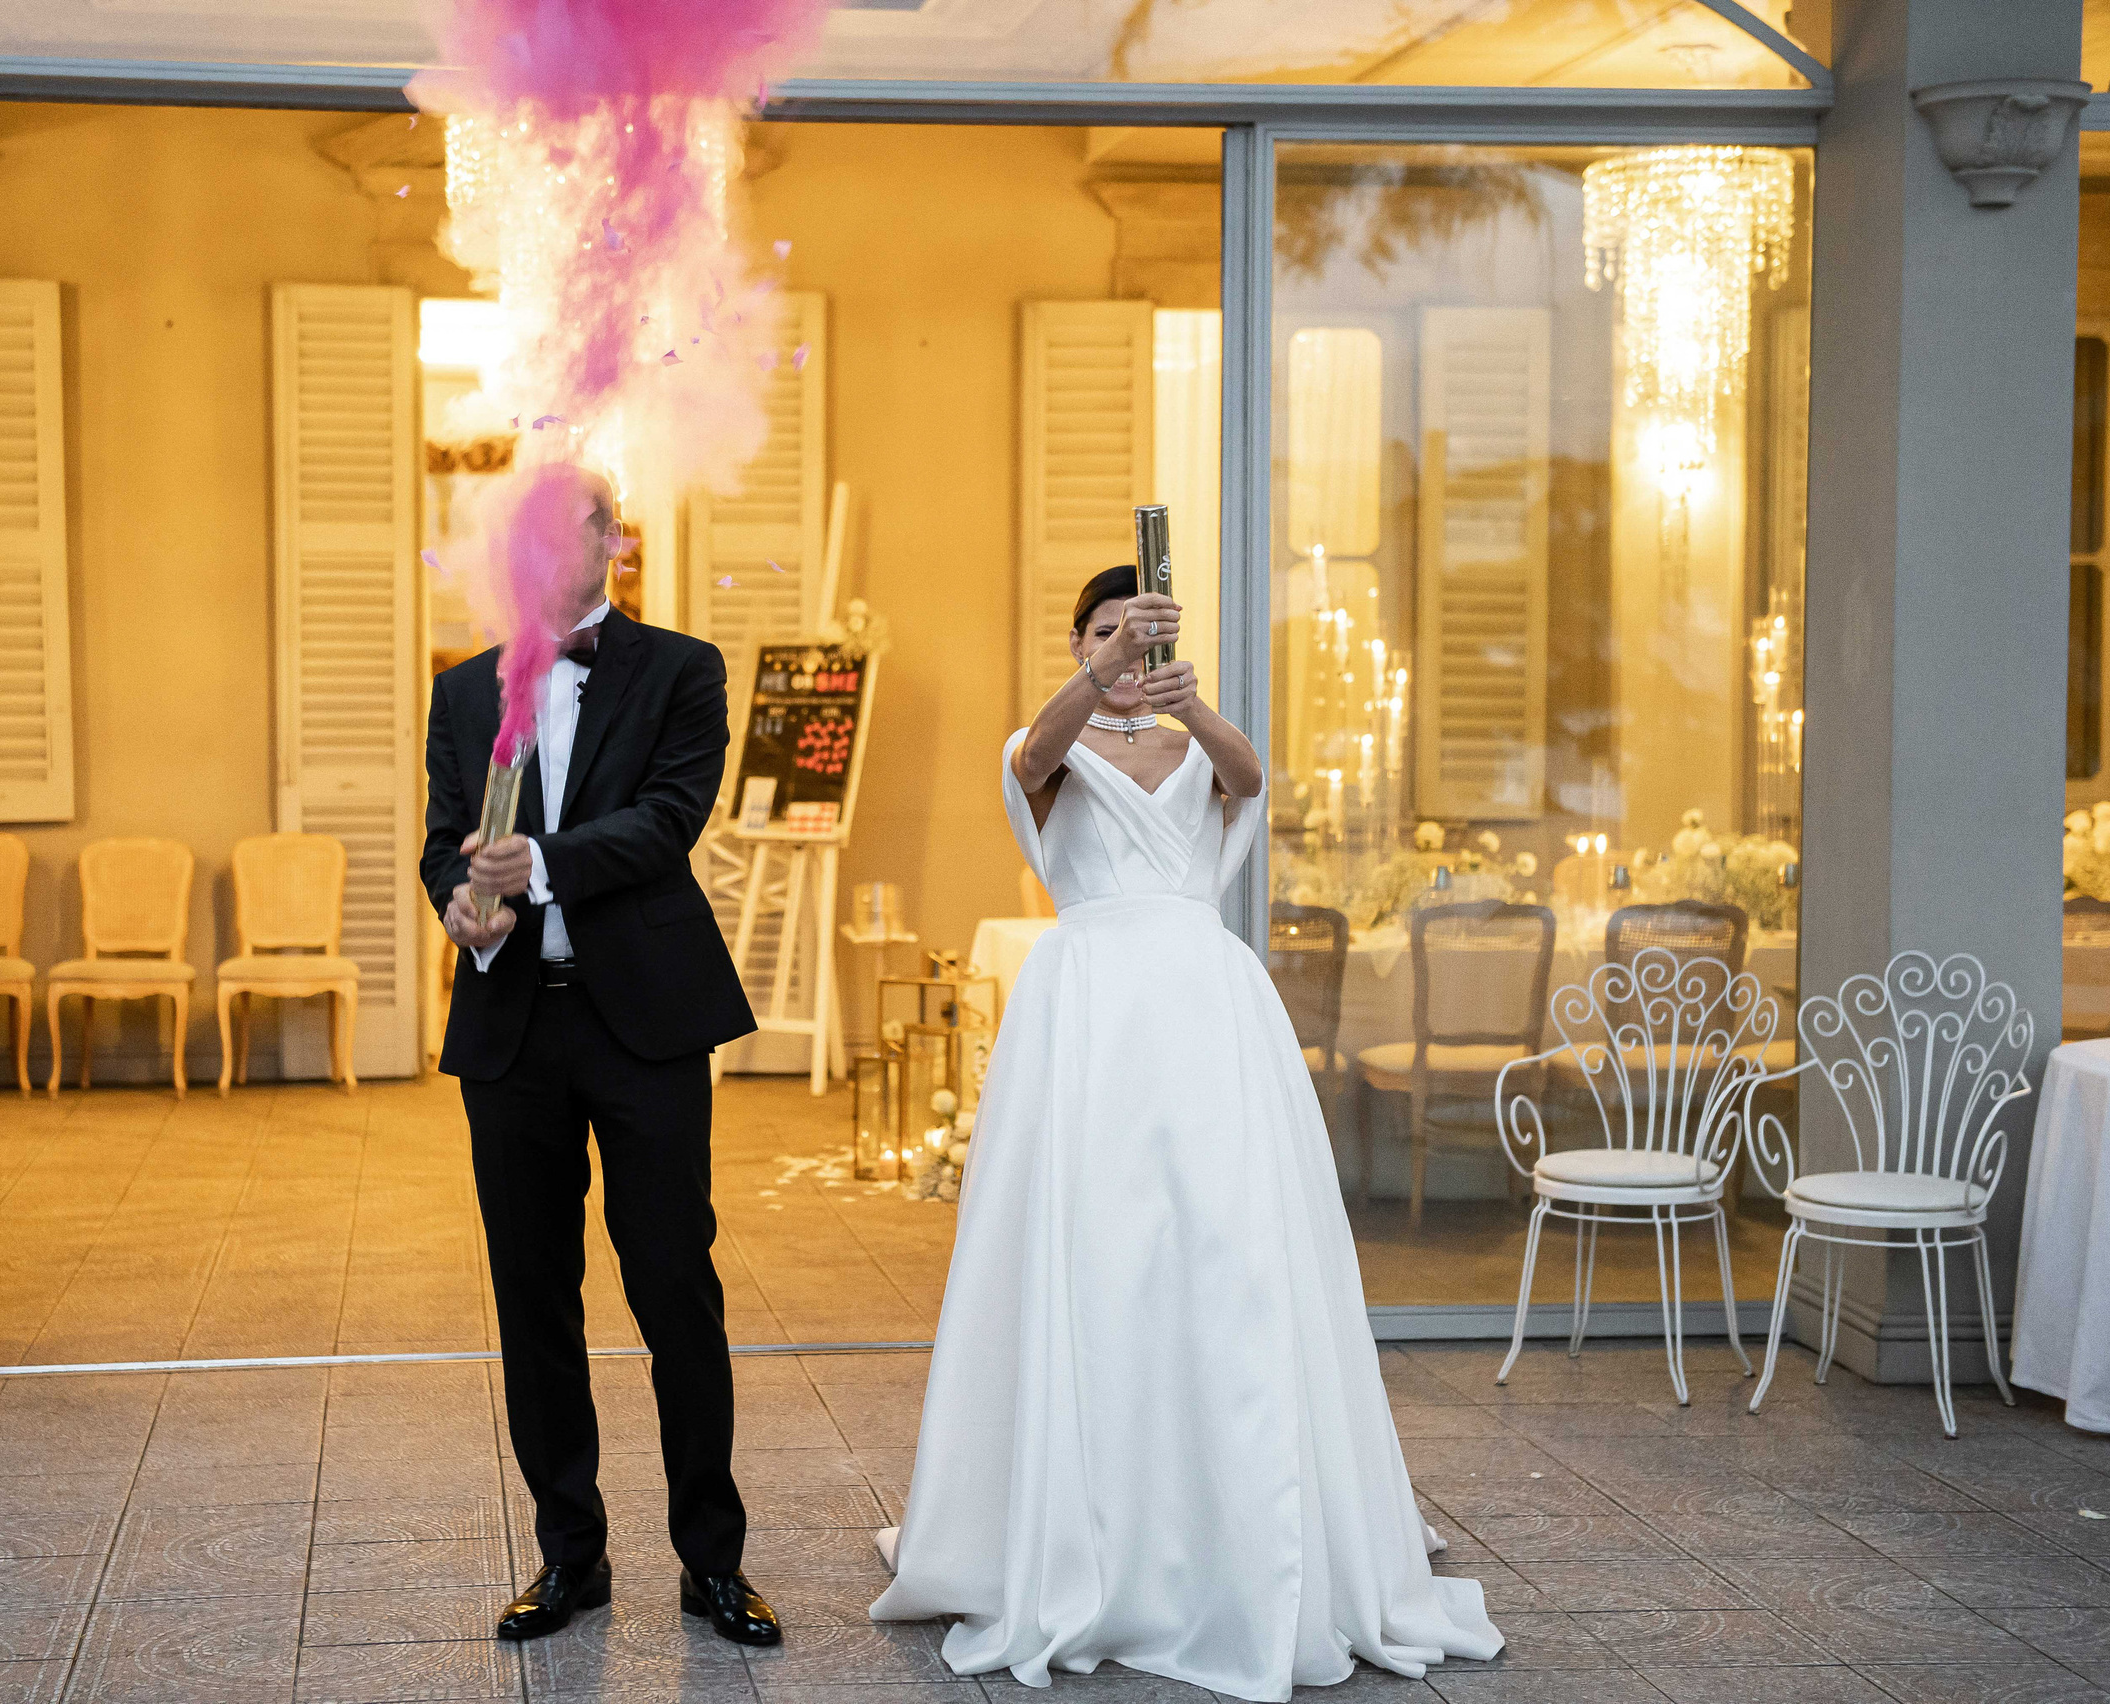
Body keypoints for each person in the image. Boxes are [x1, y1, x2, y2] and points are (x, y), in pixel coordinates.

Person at [869, 566, 1504, 1698]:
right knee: (1095, 1252)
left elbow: (1249, 776)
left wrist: (1188, 701)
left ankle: (1236, 1519)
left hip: (1207, 1007)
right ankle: (1080, 1526)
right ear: (1078, 640)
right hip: (1091, 1013)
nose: (1121, 647)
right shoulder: (1046, 743)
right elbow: (1029, 763)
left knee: (1227, 1252)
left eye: (1139, 631)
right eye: (1103, 632)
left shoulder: (1196, 743)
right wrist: (1101, 680)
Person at [422, 467, 780, 1648]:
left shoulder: (682, 669)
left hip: (644, 1023)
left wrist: (543, 863)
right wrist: (461, 910)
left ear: (613, 542)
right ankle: (570, 1557)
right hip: (511, 1029)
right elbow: (442, 845)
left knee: (675, 1284)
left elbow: (672, 818)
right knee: (533, 1297)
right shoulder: (465, 688)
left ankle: (711, 1563)